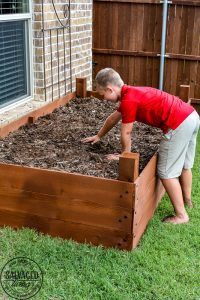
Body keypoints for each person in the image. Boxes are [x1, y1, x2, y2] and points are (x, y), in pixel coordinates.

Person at [81, 68, 199, 224]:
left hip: (178, 124)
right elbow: (113, 119)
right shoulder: (132, 93)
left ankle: (181, 215)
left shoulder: (129, 100)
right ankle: (187, 201)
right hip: (191, 116)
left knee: (166, 172)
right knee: (185, 165)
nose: (103, 98)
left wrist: (124, 155)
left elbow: (126, 133)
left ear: (110, 89)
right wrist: (99, 135)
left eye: (103, 94)